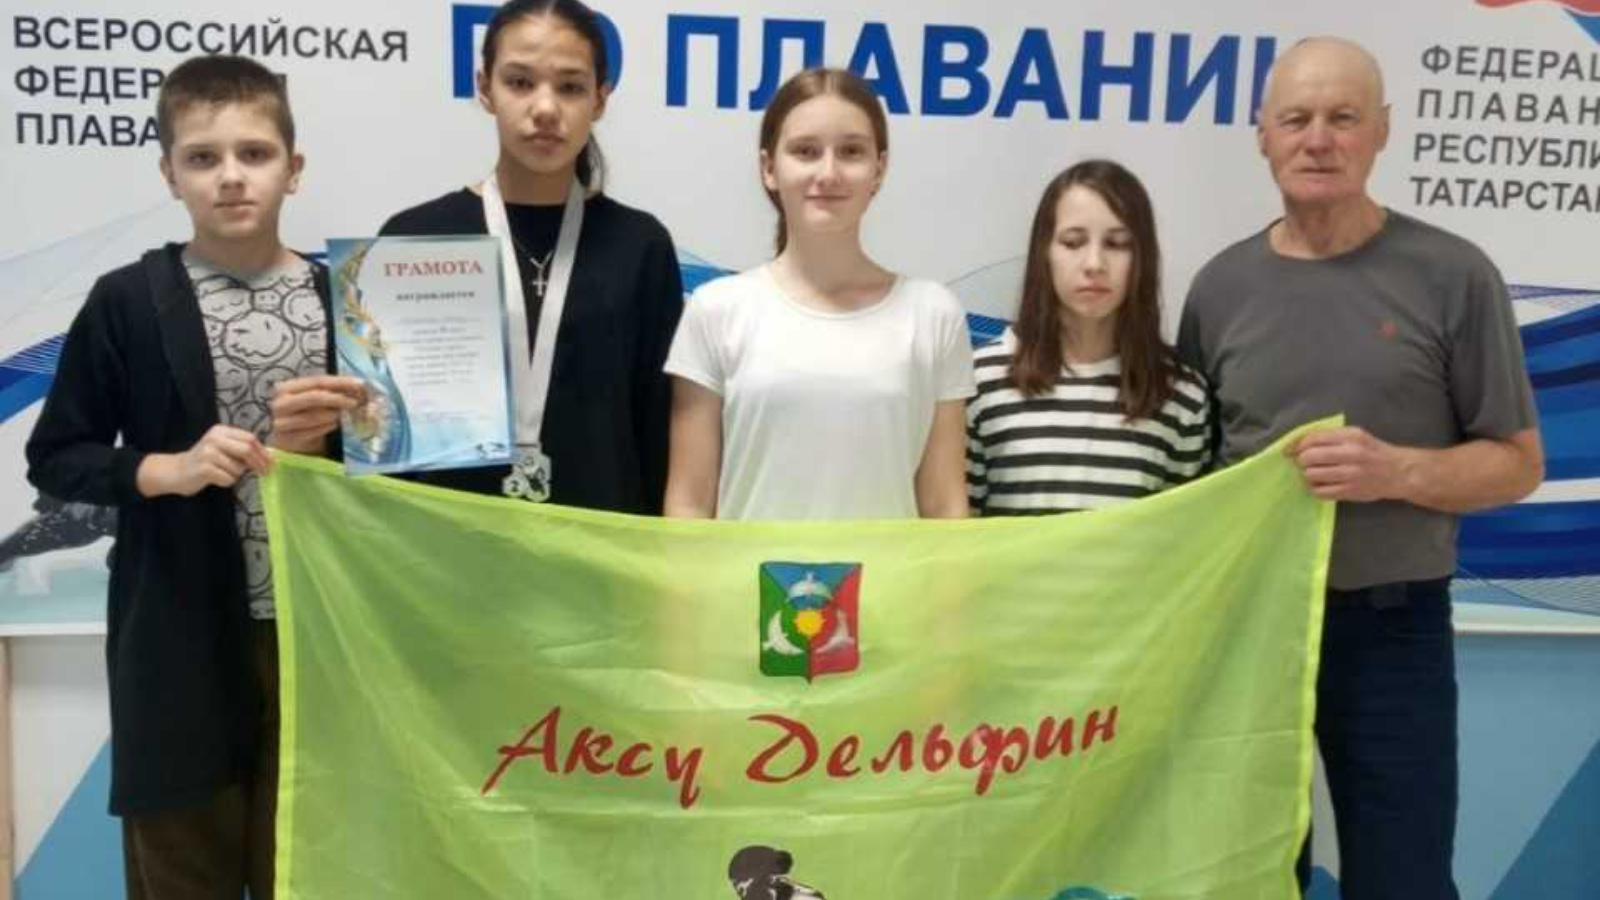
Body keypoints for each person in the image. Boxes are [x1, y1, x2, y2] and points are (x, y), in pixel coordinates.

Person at [1177, 37, 1543, 900]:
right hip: (1250, 631)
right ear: (1262, 134)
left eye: (1343, 118)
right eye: (1297, 119)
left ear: (1381, 131)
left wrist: (1397, 471)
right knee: (1249, 878)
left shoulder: (1454, 275)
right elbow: (1193, 474)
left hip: (1392, 632)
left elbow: (1518, 465)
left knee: (1403, 880)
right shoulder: (1220, 288)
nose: (1318, 140)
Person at [24, 54, 356, 899]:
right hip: (176, 632)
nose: (231, 176)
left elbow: (398, 468)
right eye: (203, 158)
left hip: (321, 635)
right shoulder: (127, 300)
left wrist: (325, 450)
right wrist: (162, 469)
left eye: (255, 153)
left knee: (308, 870)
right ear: (169, 175)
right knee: (181, 872)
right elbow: (55, 455)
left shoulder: (350, 302)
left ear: (294, 167)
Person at [279, 0, 683, 510]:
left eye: (570, 87)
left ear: (600, 100)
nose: (545, 108)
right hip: (449, 544)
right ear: (484, 88)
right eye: (520, 82)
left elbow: (659, 436)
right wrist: (310, 439)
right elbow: (379, 441)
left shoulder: (640, 246)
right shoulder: (414, 239)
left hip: (600, 545)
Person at [663, 67, 974, 521]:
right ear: (769, 168)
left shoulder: (932, 314)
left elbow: (944, 506)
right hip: (747, 572)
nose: (828, 173)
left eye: (851, 152)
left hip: (887, 572)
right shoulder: (716, 310)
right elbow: (689, 504)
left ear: (879, 169)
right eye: (806, 151)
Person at [966, 160, 1209, 514]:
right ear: (1044, 253)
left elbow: (1183, 536)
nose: (1094, 263)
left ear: (1142, 259)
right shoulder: (979, 380)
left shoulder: (1182, 395)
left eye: (1117, 244)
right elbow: (959, 532)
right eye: (1073, 242)